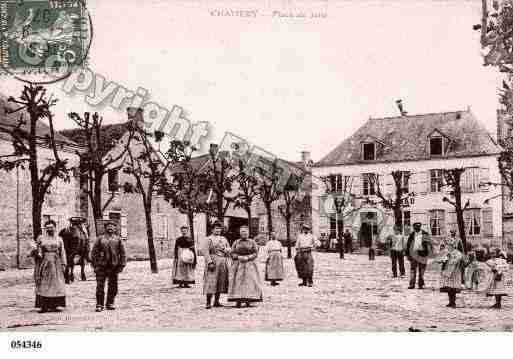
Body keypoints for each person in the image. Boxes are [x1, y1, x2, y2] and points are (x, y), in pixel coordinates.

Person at [28, 220, 67, 313]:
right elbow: (37, 250)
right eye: (47, 227)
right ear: (45, 229)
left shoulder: (59, 239)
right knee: (44, 283)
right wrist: (35, 252)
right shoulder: (41, 238)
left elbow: (62, 252)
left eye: (51, 227)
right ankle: (43, 306)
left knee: (56, 283)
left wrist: (64, 263)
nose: (49, 229)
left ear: (55, 227)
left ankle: (56, 305)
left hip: (56, 263)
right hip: (44, 263)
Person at [91, 220, 126, 312]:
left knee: (113, 286)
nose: (110, 227)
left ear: (115, 229)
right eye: (108, 226)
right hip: (101, 266)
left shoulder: (118, 239)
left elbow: (123, 254)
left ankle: (110, 303)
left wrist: (121, 265)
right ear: (105, 228)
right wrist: (95, 265)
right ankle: (99, 304)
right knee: (100, 286)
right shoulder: (100, 239)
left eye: (112, 226)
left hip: (114, 266)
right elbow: (94, 253)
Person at [228, 226, 263, 307]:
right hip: (238, 265)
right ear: (240, 233)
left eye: (246, 232)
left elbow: (255, 253)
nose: (244, 233)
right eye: (242, 232)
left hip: (249, 264)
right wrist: (237, 257)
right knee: (238, 281)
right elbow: (232, 253)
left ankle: (249, 299)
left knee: (250, 281)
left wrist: (248, 257)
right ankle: (238, 300)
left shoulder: (252, 242)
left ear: (248, 233)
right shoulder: (236, 242)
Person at [203, 221, 230, 309]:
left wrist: (227, 250)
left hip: (222, 261)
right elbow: (206, 252)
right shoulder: (209, 239)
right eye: (216, 228)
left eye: (219, 228)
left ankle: (216, 301)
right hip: (213, 261)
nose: (218, 230)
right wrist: (209, 262)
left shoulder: (224, 239)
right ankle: (208, 302)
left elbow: (228, 249)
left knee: (220, 281)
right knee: (211, 281)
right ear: (212, 229)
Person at [438, 237, 465, 308]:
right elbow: (442, 259)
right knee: (449, 287)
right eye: (448, 246)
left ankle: (453, 302)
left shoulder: (457, 253)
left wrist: (450, 259)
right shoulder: (447, 252)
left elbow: (457, 260)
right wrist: (443, 260)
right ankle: (450, 301)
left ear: (453, 246)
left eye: (450, 246)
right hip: (448, 272)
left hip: (455, 272)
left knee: (453, 288)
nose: (448, 247)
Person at [406, 222, 431, 289]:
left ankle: (421, 284)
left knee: (421, 270)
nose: (416, 228)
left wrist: (428, 254)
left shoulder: (425, 234)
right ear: (414, 227)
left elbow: (429, 244)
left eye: (418, 227)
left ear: (420, 227)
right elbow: (408, 245)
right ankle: (412, 284)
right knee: (413, 269)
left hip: (422, 254)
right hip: (414, 254)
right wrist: (408, 254)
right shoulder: (412, 234)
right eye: (415, 227)